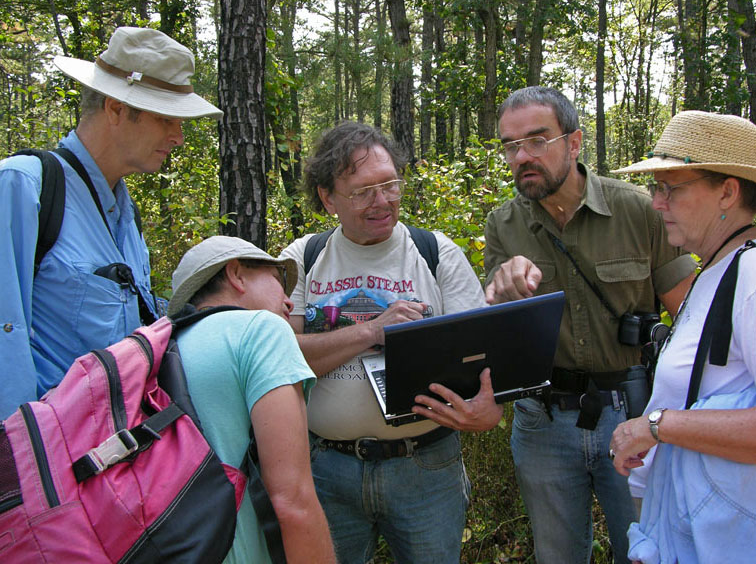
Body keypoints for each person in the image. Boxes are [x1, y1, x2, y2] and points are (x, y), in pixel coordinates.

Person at [482, 87, 696, 564]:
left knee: (645, 549)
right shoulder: (504, 225)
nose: (522, 156)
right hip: (543, 420)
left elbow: (689, 314)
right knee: (557, 554)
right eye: (511, 145)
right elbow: (494, 327)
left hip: (633, 410)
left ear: (574, 142)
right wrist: (500, 291)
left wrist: (684, 417)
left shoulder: (639, 210)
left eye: (537, 140)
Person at [279, 121, 487, 564]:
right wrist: (373, 331)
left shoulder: (437, 254)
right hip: (327, 469)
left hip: (426, 468)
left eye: (390, 185)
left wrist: (486, 409)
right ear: (327, 197)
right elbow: (282, 359)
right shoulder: (302, 259)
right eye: (362, 191)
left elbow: (480, 357)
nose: (383, 201)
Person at [0, 26, 222, 418]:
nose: (179, 137)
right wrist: (14, 463)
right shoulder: (25, 186)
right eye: (167, 118)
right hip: (44, 456)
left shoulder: (124, 212)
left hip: (109, 453)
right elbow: (6, 330)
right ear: (116, 109)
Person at [609, 110, 756, 564]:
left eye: (671, 188)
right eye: (656, 189)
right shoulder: (714, 269)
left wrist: (655, 426)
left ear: (727, 192)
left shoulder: (750, 275)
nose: (656, 203)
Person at [167, 235, 336, 564]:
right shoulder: (263, 330)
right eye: (277, 280)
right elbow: (293, 502)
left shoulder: (165, 346)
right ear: (236, 274)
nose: (288, 302)